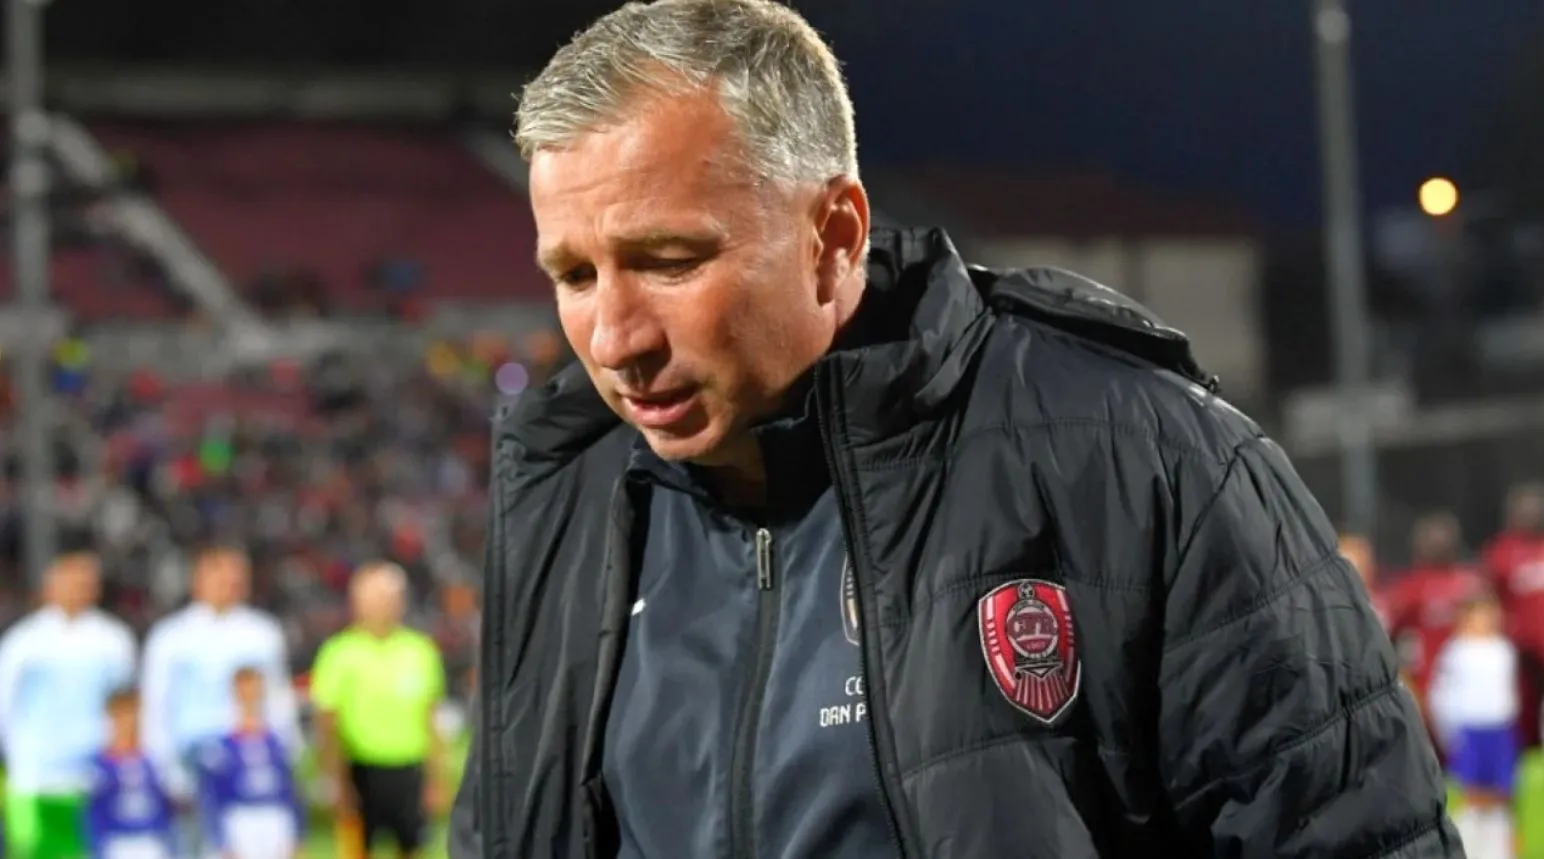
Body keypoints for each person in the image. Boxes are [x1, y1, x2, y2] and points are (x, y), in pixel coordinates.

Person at [451, 1, 1460, 857]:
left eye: (670, 261)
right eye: (572, 276)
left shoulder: (1134, 455)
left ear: (834, 236)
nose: (614, 337)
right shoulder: (567, 500)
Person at [139, 545, 298, 849]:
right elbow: (156, 706)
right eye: (220, 575)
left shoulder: (263, 633)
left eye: (236, 576)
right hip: (191, 763)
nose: (230, 582)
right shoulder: (171, 637)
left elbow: (277, 699)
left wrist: (286, 752)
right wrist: (165, 769)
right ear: (198, 579)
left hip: (246, 766)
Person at [0, 552, 137, 859]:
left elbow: (126, 710)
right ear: (50, 585)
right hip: (35, 778)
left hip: (95, 779)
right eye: (71, 581)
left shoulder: (114, 641)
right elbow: (4, 708)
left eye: (86, 582)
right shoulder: (22, 643)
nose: (78, 588)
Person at [311, 563, 446, 859]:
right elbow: (327, 723)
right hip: (359, 770)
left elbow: (432, 719)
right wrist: (334, 779)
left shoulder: (420, 650)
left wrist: (436, 778)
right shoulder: (338, 652)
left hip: (410, 769)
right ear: (356, 602)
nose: (383, 606)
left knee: (413, 849)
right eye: (375, 598)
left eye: (390, 597)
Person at [1428, 591, 1519, 859]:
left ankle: (1499, 851)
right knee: (1474, 795)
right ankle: (1467, 849)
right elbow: (1441, 695)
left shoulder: (1503, 649)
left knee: (1500, 794)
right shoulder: (1456, 652)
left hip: (1499, 730)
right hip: (1470, 730)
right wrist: (1450, 733)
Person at [190, 668, 304, 859]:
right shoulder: (221, 746)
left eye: (255, 688)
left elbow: (292, 790)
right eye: (245, 689)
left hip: (275, 818)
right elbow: (211, 796)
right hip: (240, 820)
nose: (250, 695)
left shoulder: (278, 741)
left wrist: (298, 833)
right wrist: (220, 840)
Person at [1384, 513, 1487, 718]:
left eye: (1444, 538)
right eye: (1432, 539)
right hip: (1425, 680)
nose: (1439, 544)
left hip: (1468, 680)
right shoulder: (1409, 587)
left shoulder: (1471, 583)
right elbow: (1390, 633)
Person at [1482, 482, 1544, 748]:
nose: (1531, 514)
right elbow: (1489, 599)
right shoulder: (1502, 552)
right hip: (1519, 650)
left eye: (1535, 508)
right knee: (1523, 710)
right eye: (1524, 509)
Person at [83, 688, 177, 859]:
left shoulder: (153, 763)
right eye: (122, 715)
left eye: (133, 715)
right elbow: (92, 816)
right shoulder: (99, 767)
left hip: (151, 843)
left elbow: (166, 812)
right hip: (117, 845)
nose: (128, 722)